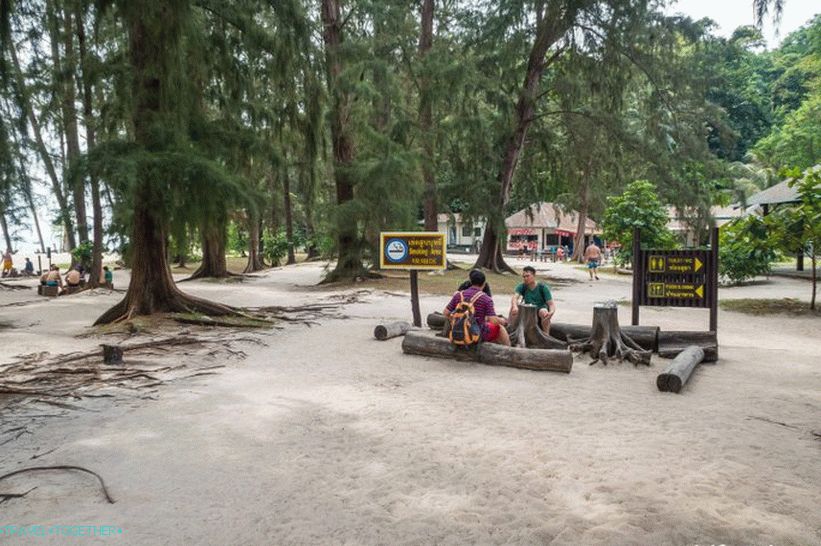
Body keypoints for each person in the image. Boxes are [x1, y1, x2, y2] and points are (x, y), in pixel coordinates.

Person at [444, 269, 510, 346]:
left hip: (457, 333)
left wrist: (456, 322)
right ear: (484, 283)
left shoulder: (459, 295)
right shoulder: (486, 298)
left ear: (471, 282)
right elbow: (493, 320)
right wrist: (503, 321)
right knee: (500, 328)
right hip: (476, 334)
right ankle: (509, 349)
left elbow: (446, 313)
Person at [509, 265, 555, 334]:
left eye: (528, 276)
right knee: (513, 307)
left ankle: (546, 335)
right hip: (528, 310)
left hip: (540, 309)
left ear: (533, 275)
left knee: (544, 312)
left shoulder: (542, 287)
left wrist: (551, 312)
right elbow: (515, 297)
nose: (525, 278)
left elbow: (551, 304)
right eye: (524, 277)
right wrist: (515, 306)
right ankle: (511, 330)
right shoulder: (522, 286)